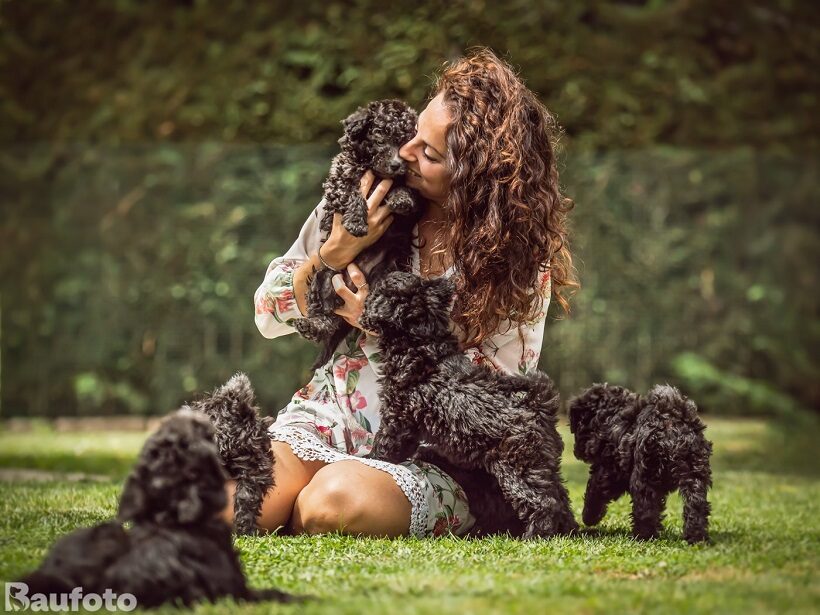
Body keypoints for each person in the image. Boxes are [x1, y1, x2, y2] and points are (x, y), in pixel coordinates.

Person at [227, 48, 576, 538]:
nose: (405, 153)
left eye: (430, 154)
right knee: (224, 503)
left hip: (435, 454)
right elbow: (267, 313)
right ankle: (294, 495)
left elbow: (496, 396)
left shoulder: (517, 259)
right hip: (327, 419)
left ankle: (317, 500)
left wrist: (381, 323)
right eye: (415, 133)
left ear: (475, 179)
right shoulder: (365, 198)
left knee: (331, 502)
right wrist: (331, 254)